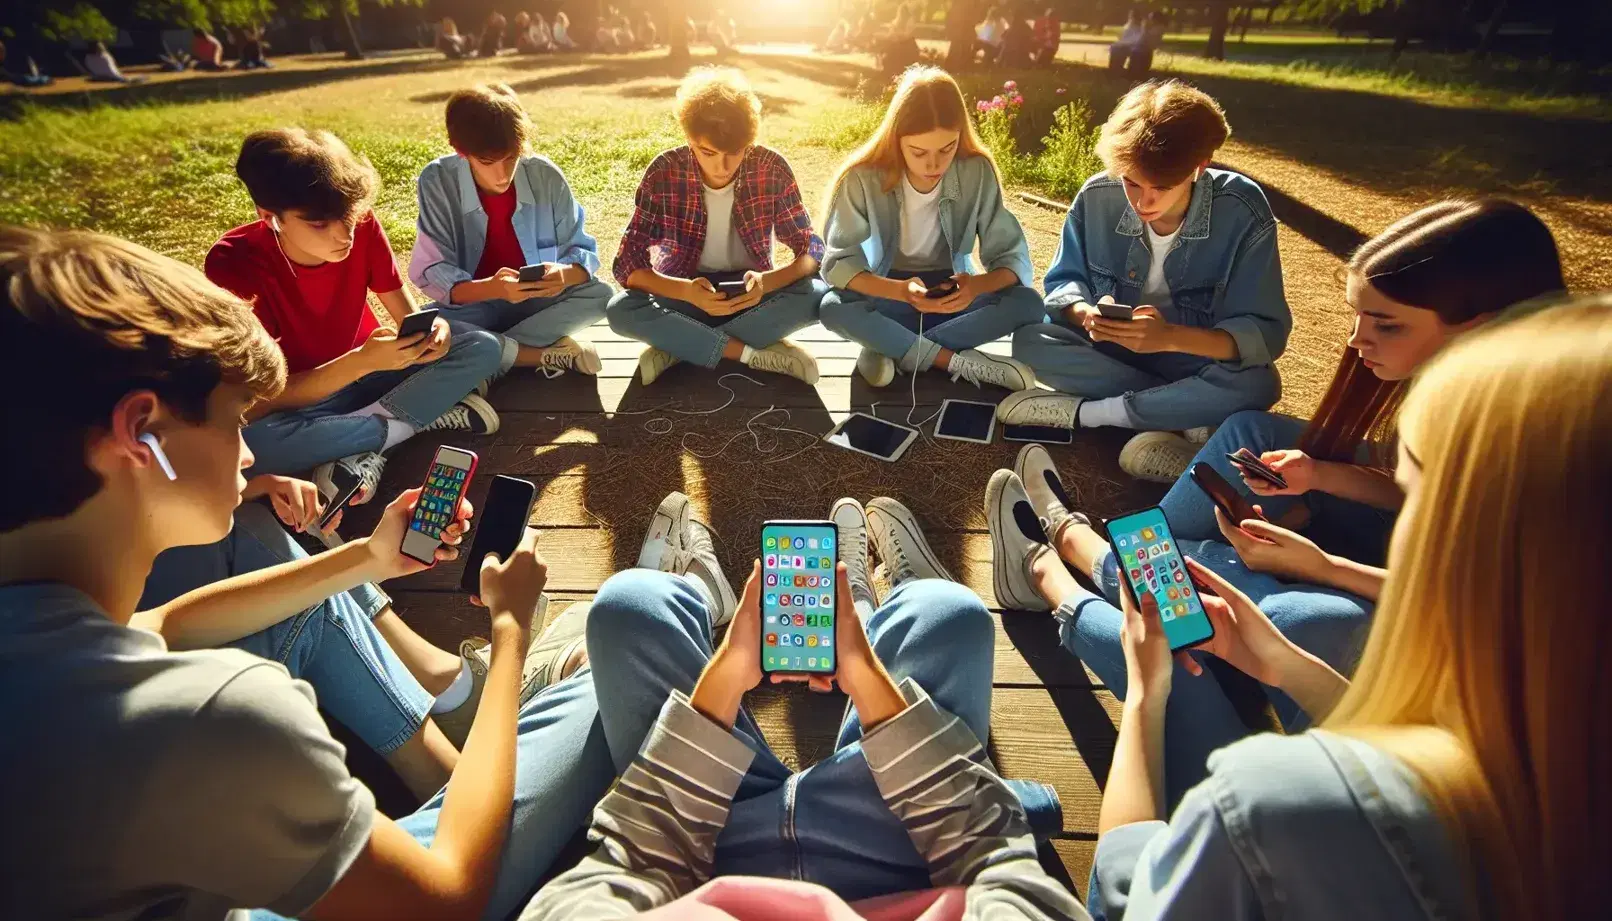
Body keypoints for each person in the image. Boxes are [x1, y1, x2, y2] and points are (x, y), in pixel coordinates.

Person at [0, 225, 615, 921]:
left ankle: (453, 754)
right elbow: (446, 900)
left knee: (282, 559)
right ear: (141, 433)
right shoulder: (220, 712)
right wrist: (509, 633)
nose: (247, 452)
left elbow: (165, 623)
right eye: (236, 420)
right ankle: (479, 749)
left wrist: (367, 559)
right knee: (630, 626)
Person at [986, 198, 1567, 808]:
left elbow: (1471, 605)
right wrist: (1319, 476)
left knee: (1233, 616)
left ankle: (1066, 559)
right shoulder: (1479, 388)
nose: (1357, 341)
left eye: (1387, 325)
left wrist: (1322, 567)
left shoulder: (1534, 450)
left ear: (1484, 323)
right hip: (1399, 621)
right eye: (1357, 316)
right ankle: (1132, 556)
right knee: (1242, 447)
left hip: (1421, 628)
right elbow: (1417, 488)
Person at [1083, 299, 1612, 921]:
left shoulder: (1284, 799)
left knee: (1174, 673)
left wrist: (1145, 695)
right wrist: (1287, 667)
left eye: (1413, 493)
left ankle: (1067, 559)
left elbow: (1126, 894)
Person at [519, 490, 1078, 917]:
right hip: (902, 850)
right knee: (945, 612)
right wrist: (863, 677)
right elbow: (995, 859)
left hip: (708, 842)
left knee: (632, 605)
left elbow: (631, 860)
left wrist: (728, 676)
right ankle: (860, 599)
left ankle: (722, 591)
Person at [1003, 81, 1290, 484]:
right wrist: (1085, 315)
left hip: (1193, 355)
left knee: (1258, 383)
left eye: (1161, 188)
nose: (1143, 201)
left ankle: (1094, 414)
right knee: (1030, 339)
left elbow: (1263, 334)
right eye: (1132, 182)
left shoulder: (1243, 210)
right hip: (1113, 351)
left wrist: (1168, 337)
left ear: (1200, 165)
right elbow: (1065, 282)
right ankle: (1181, 414)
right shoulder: (1097, 195)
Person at [205, 128, 503, 507]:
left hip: (375, 374)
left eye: (347, 215)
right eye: (318, 224)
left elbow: (406, 314)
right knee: (251, 447)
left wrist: (432, 334)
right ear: (270, 217)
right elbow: (257, 402)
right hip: (302, 404)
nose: (343, 234)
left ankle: (369, 437)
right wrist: (359, 363)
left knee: (481, 346)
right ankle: (414, 420)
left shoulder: (361, 223)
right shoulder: (232, 263)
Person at [819, 65, 1045, 393]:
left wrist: (975, 286)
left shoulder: (976, 172)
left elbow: (1011, 258)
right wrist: (899, 291)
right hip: (887, 292)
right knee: (832, 308)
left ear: (960, 138)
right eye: (919, 152)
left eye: (946, 149)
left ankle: (891, 349)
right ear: (897, 140)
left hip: (953, 297)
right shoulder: (862, 177)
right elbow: (839, 265)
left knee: (1028, 303)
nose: (934, 165)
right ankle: (951, 360)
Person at [607, 67, 829, 386]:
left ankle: (681, 346)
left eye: (734, 153)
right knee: (620, 310)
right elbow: (627, 265)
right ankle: (748, 352)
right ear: (689, 139)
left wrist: (768, 283)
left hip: (750, 294)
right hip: (686, 294)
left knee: (819, 295)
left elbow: (811, 249)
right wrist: (686, 291)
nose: (721, 167)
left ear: (748, 142)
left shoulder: (771, 167)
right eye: (707, 152)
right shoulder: (664, 172)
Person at [410, 85, 610, 389]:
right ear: (460, 151)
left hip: (538, 302)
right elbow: (435, 274)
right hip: (477, 305)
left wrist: (564, 275)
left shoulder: (545, 175)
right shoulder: (436, 180)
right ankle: (538, 354)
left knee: (601, 296)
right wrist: (493, 288)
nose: (502, 174)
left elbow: (582, 252)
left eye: (511, 158)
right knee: (423, 330)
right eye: (487, 162)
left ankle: (488, 356)